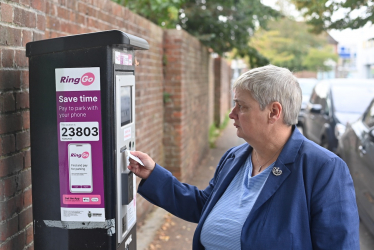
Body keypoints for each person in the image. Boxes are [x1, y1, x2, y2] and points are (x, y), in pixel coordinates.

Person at [128, 65, 360, 250]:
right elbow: (204, 205)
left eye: (241, 106)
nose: (232, 114)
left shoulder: (324, 169)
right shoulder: (235, 156)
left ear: (274, 112)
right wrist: (153, 174)